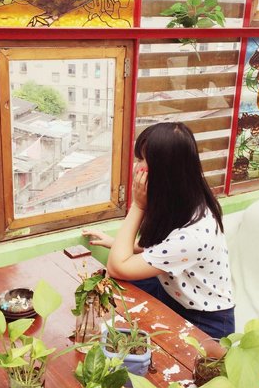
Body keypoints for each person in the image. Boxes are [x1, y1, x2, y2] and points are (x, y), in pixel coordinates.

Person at [83, 122, 235, 339]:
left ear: (165, 170)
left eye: (141, 160)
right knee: (109, 294)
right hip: (172, 294)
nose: (136, 168)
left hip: (204, 319)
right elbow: (163, 245)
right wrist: (117, 244)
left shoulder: (194, 234)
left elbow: (117, 267)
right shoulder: (184, 200)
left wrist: (138, 206)